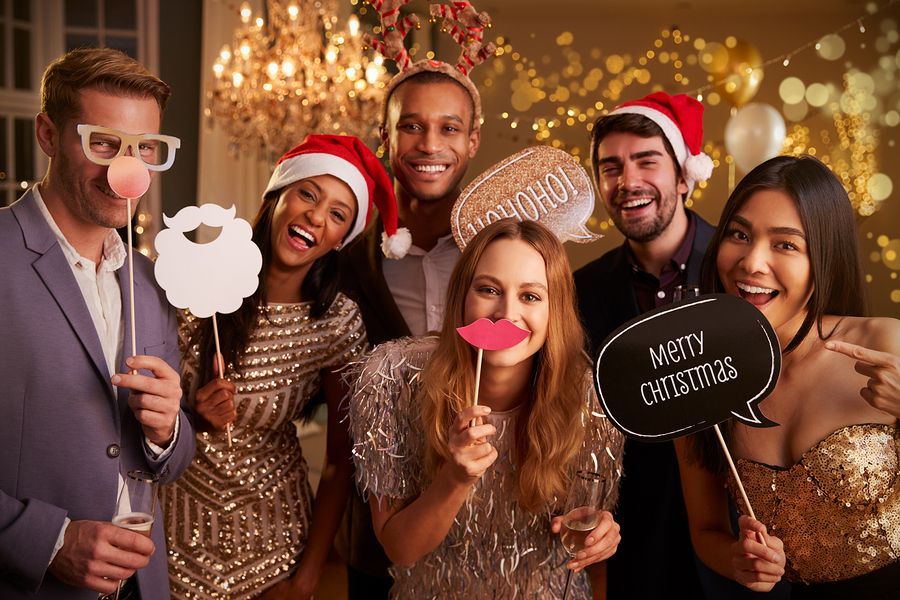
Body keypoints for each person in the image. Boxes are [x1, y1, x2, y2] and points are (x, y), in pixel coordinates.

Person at [160, 135, 405, 599]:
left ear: (340, 240)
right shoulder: (196, 287)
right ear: (276, 197)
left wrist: (308, 576)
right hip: (175, 529)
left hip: (275, 540)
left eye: (337, 214)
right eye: (308, 194)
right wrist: (194, 418)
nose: (316, 216)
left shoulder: (336, 323)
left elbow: (338, 462)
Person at [0, 47, 195, 599]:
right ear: (47, 134)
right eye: (104, 143)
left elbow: (173, 460)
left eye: (145, 149)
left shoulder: (150, 281)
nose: (125, 171)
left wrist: (165, 432)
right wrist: (49, 541)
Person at [349, 218, 624, 598]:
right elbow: (400, 549)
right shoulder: (393, 379)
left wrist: (599, 535)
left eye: (530, 296)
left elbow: (577, 529)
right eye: (489, 289)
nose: (506, 313)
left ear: (554, 310)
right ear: (461, 297)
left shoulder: (588, 398)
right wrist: (454, 478)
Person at [572, 91, 768, 599]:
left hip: (747, 535)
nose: (628, 181)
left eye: (646, 161)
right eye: (610, 167)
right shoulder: (579, 291)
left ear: (683, 176)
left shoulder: (741, 268)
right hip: (640, 544)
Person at [676, 155, 899, 599]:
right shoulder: (700, 378)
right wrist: (740, 562)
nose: (752, 262)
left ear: (824, 258)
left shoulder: (885, 345)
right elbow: (706, 532)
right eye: (739, 235)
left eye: (786, 245)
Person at [337, 61, 483, 597]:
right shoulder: (348, 251)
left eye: (449, 128)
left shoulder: (502, 251)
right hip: (383, 517)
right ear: (386, 136)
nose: (429, 144)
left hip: (491, 517)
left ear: (472, 142)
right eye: (411, 125)